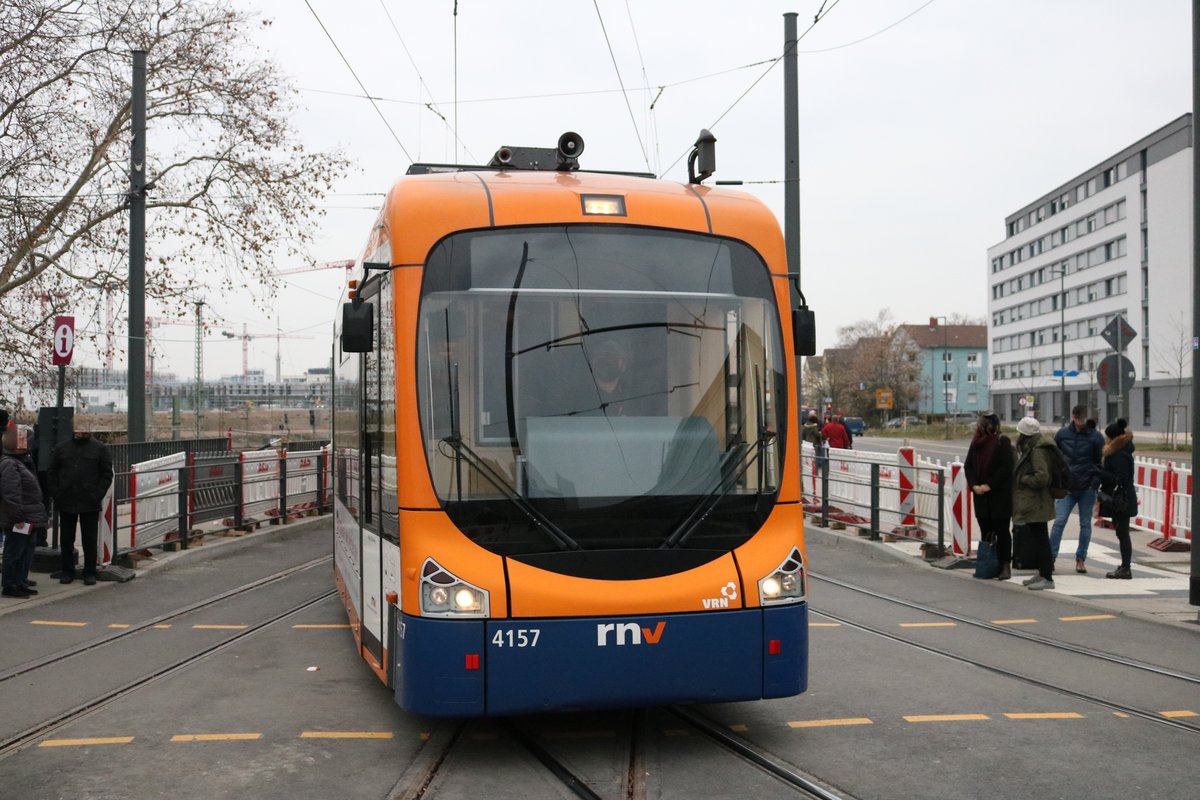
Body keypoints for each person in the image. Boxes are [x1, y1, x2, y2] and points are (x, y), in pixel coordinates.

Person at [49, 422, 113, 586]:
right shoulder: (62, 448)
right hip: (66, 500)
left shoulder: (100, 449)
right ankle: (67, 571)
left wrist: (97, 495)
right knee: (66, 539)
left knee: (89, 539)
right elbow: (52, 472)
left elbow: (106, 474)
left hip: (89, 501)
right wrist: (57, 493)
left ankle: (89, 572)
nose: (81, 431)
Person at [1049, 404, 1104, 574]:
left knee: (1085, 523)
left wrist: (1094, 482)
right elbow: (1054, 457)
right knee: (1059, 522)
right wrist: (1057, 479)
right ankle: (1050, 558)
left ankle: (1081, 558)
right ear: (1073, 417)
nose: (1082, 422)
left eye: (1085, 419)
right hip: (1067, 487)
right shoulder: (1062, 434)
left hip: (1087, 487)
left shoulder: (1096, 437)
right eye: (1079, 418)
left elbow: (1099, 463)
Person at [964, 412, 1014, 580]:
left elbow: (1006, 468)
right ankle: (988, 564)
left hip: (999, 496)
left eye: (983, 425)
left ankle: (1005, 565)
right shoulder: (975, 443)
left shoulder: (1002, 442)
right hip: (981, 497)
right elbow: (968, 466)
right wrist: (974, 486)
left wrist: (989, 485)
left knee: (1002, 531)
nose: (980, 427)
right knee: (985, 530)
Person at [1, 423, 48, 597]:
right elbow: (11, 494)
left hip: (28, 516)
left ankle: (19, 581)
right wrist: (18, 518)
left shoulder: (24, 461)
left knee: (25, 550)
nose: (27, 443)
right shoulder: (9, 464)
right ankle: (9, 584)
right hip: (20, 518)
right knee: (15, 551)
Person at [1012, 416, 1057, 590]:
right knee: (1040, 538)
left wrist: (1024, 478)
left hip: (1037, 501)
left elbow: (1042, 477)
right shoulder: (1035, 446)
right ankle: (1043, 573)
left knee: (1041, 539)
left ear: (1024, 434)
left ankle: (1047, 577)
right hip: (1036, 501)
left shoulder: (1037, 450)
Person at [1097, 418, 1138, 580]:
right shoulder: (1120, 452)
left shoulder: (1120, 455)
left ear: (1113, 438)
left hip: (1122, 500)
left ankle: (1126, 568)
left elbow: (1120, 479)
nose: (1105, 439)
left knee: (1122, 533)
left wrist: (1100, 472)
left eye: (1107, 436)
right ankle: (1124, 566)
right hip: (1122, 498)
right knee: (1121, 533)